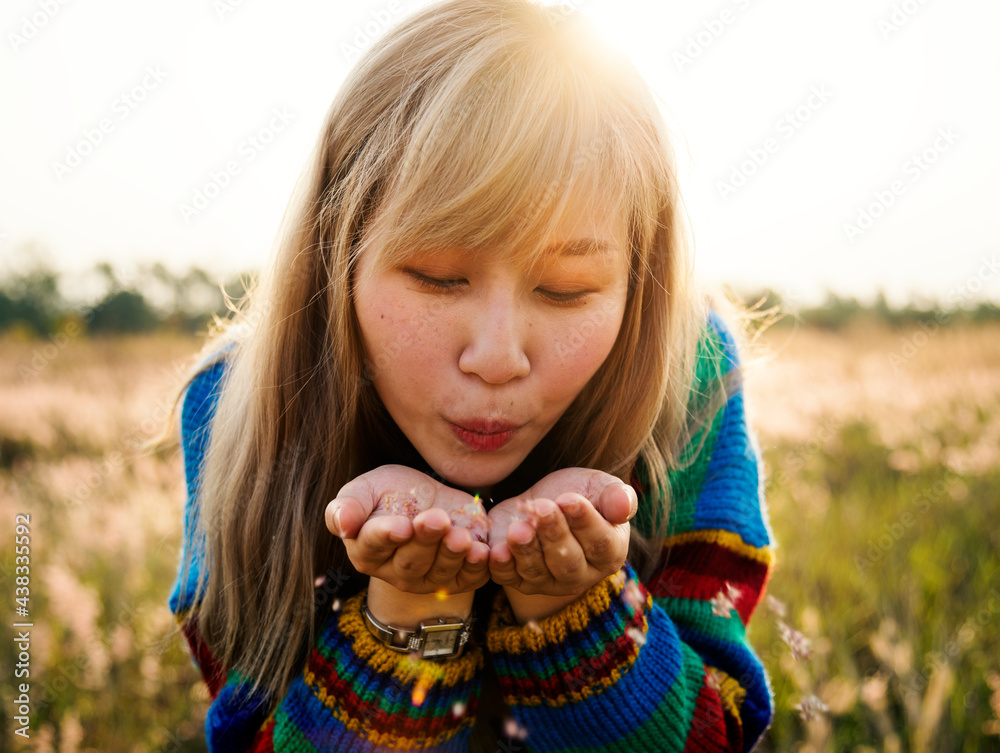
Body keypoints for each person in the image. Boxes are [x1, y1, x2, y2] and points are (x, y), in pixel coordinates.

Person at [166, 0, 775, 750]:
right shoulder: (234, 407)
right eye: (437, 276)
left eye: (565, 290)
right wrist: (414, 612)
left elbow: (719, 732)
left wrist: (575, 612)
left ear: (638, 285)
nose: (496, 356)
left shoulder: (693, 379)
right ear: (336, 253)